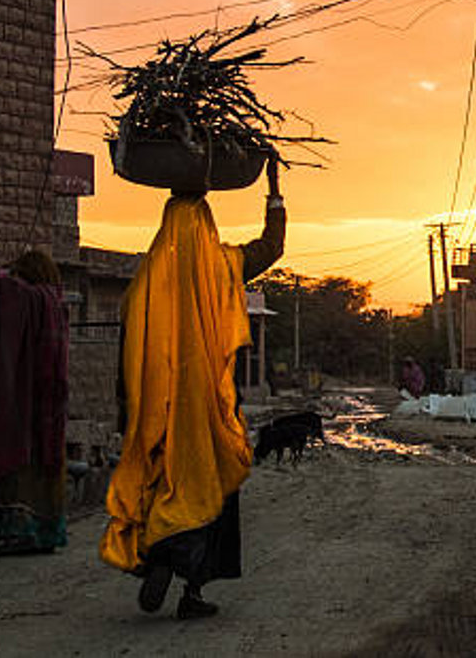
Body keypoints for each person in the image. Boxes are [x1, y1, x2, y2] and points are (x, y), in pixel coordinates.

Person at [100, 156, 285, 620]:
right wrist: (275, 189)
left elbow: (128, 353)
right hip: (209, 412)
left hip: (157, 412)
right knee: (213, 489)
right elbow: (272, 247)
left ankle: (158, 558)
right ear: (206, 224)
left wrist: (128, 410)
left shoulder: (145, 281)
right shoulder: (224, 266)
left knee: (160, 485)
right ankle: (194, 590)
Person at [0, 248, 70, 555]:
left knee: (20, 468)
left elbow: (3, 286)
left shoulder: (27, 299)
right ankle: (44, 533)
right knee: (43, 466)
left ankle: (21, 534)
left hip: (22, 402)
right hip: (48, 407)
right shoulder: (53, 302)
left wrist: (7, 272)